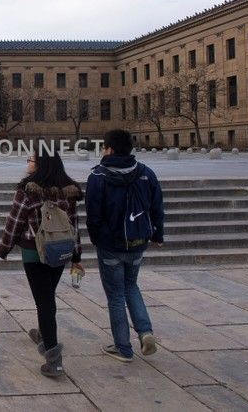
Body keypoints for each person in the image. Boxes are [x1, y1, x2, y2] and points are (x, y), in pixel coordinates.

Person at [0, 147, 84, 377]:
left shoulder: (27, 191)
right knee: (46, 296)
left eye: (31, 159)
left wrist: (5, 248)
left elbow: (14, 222)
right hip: (60, 252)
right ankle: (44, 335)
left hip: (34, 254)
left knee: (45, 302)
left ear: (40, 164)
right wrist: (76, 256)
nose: (28, 162)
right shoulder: (68, 191)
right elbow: (74, 226)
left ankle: (54, 359)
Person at [86, 129, 164, 362]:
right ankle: (145, 332)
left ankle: (123, 347)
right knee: (131, 286)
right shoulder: (146, 173)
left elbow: (93, 215)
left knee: (116, 295)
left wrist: (96, 239)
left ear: (109, 149)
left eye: (104, 147)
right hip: (138, 242)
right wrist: (158, 234)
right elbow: (157, 208)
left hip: (110, 245)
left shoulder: (98, 176)